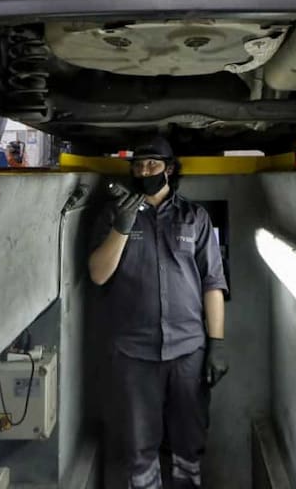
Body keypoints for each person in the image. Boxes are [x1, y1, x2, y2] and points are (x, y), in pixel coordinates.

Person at [89, 136, 229, 489]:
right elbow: (98, 273)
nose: (144, 170)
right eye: (138, 165)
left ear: (169, 169)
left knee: (190, 438)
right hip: (133, 352)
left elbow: (212, 282)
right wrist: (123, 225)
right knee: (138, 444)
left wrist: (216, 344)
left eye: (152, 164)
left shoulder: (195, 217)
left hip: (188, 350)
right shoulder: (113, 213)